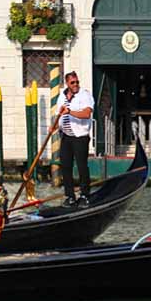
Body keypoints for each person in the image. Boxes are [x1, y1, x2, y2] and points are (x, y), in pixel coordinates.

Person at [53, 71, 94, 209]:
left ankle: (84, 195)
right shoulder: (62, 96)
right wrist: (54, 127)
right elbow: (58, 114)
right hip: (66, 137)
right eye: (72, 82)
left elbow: (87, 113)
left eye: (77, 82)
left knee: (82, 166)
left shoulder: (85, 95)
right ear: (67, 84)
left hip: (80, 137)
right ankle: (70, 196)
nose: (76, 84)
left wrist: (70, 112)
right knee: (65, 166)